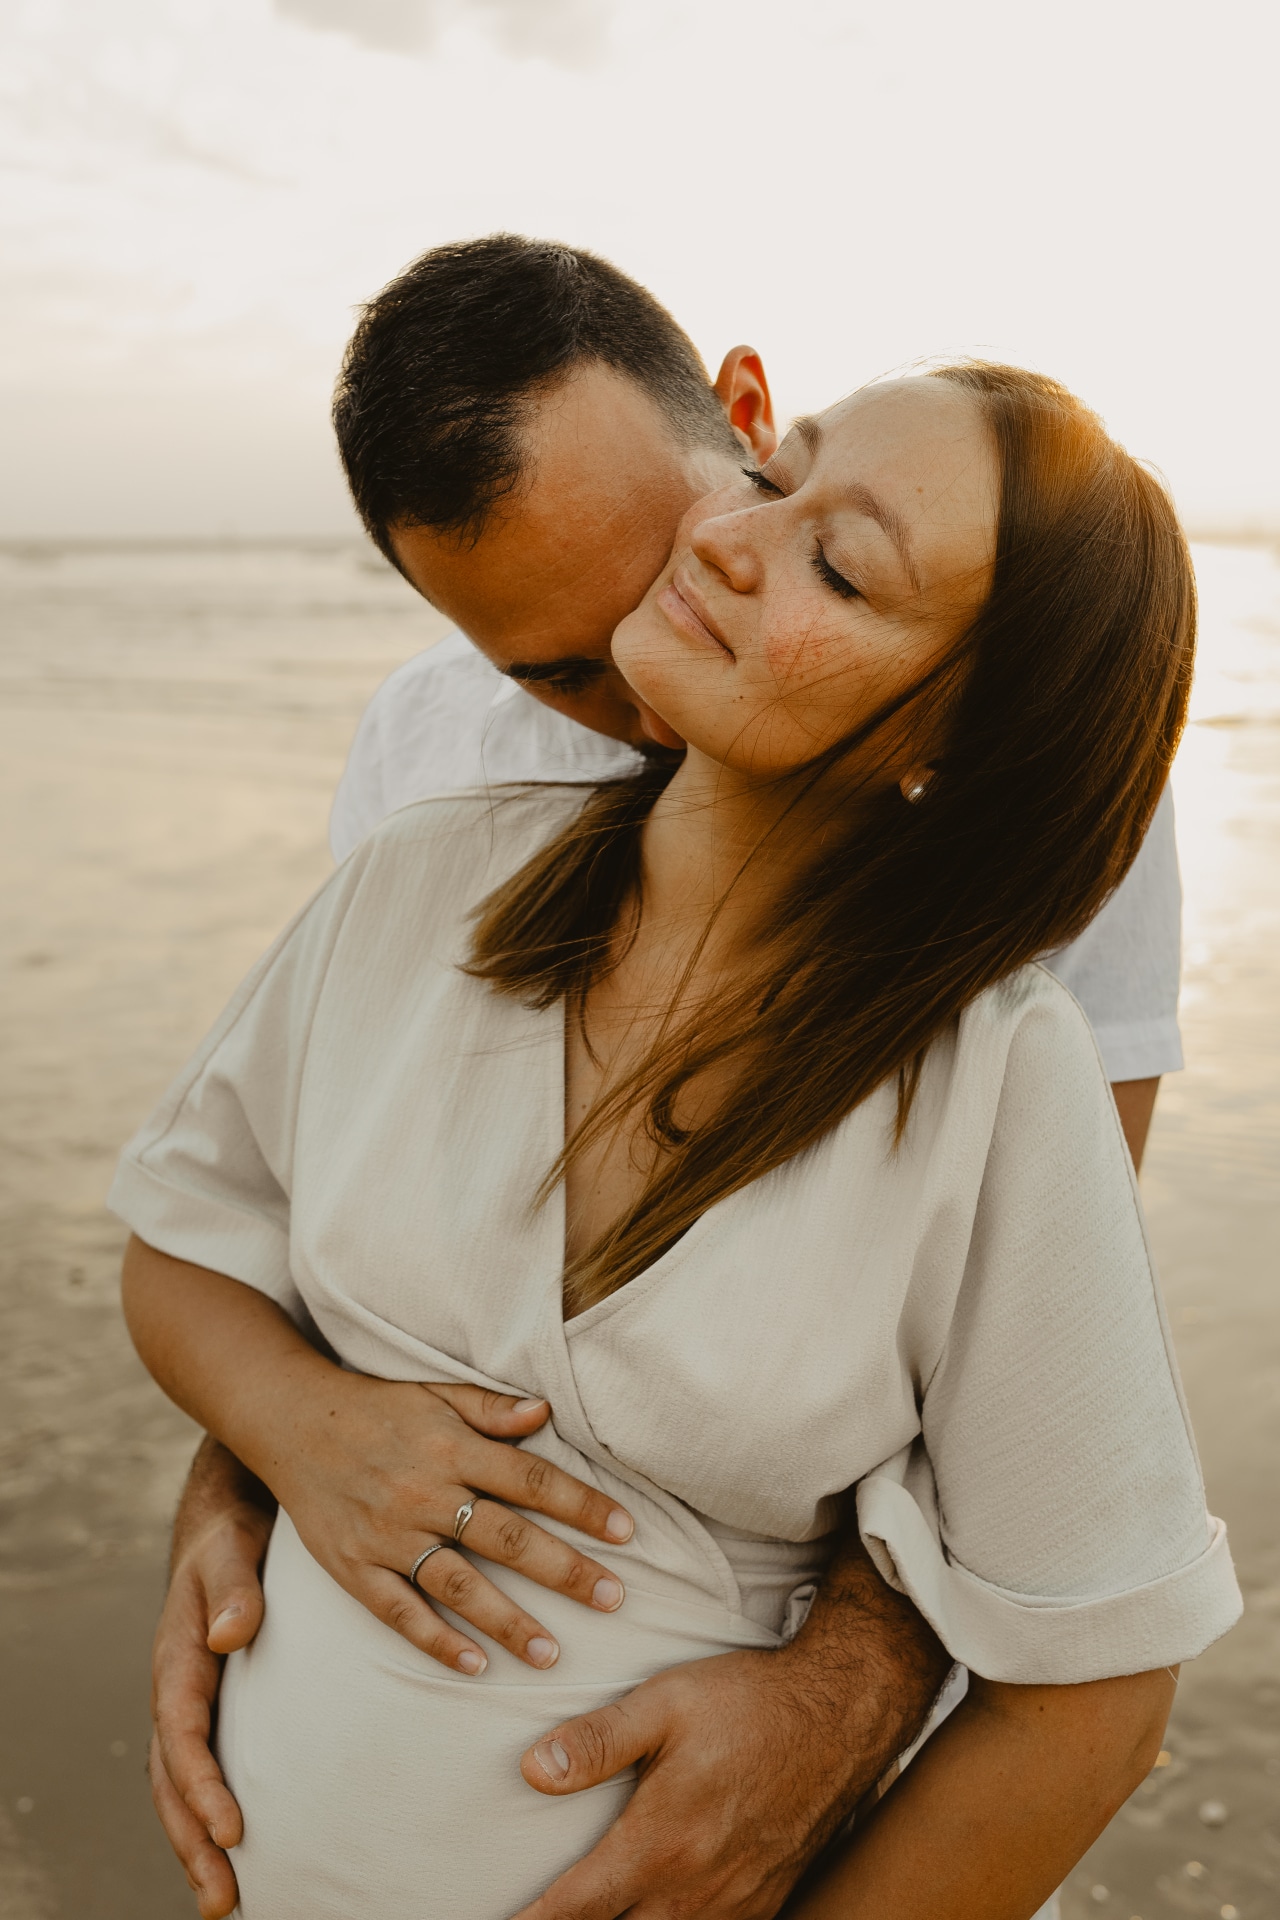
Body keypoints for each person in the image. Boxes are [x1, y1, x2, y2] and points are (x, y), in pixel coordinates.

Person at [115, 356, 1238, 1918]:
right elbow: (186, 1247)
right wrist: (281, 1433)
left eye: (838, 568)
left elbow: (1095, 1702)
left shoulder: (993, 1085)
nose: (722, 538)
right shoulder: (422, 881)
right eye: (774, 481)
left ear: (960, 743)